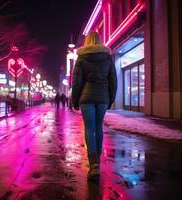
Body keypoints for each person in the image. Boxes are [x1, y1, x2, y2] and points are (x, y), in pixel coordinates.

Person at [72, 31, 117, 181]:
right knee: (98, 128)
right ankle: (97, 162)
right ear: (99, 40)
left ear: (87, 41)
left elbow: (76, 81)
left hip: (87, 98)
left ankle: (94, 166)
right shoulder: (108, 57)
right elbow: (113, 81)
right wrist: (111, 99)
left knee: (89, 129)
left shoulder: (81, 57)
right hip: (103, 97)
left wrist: (75, 99)